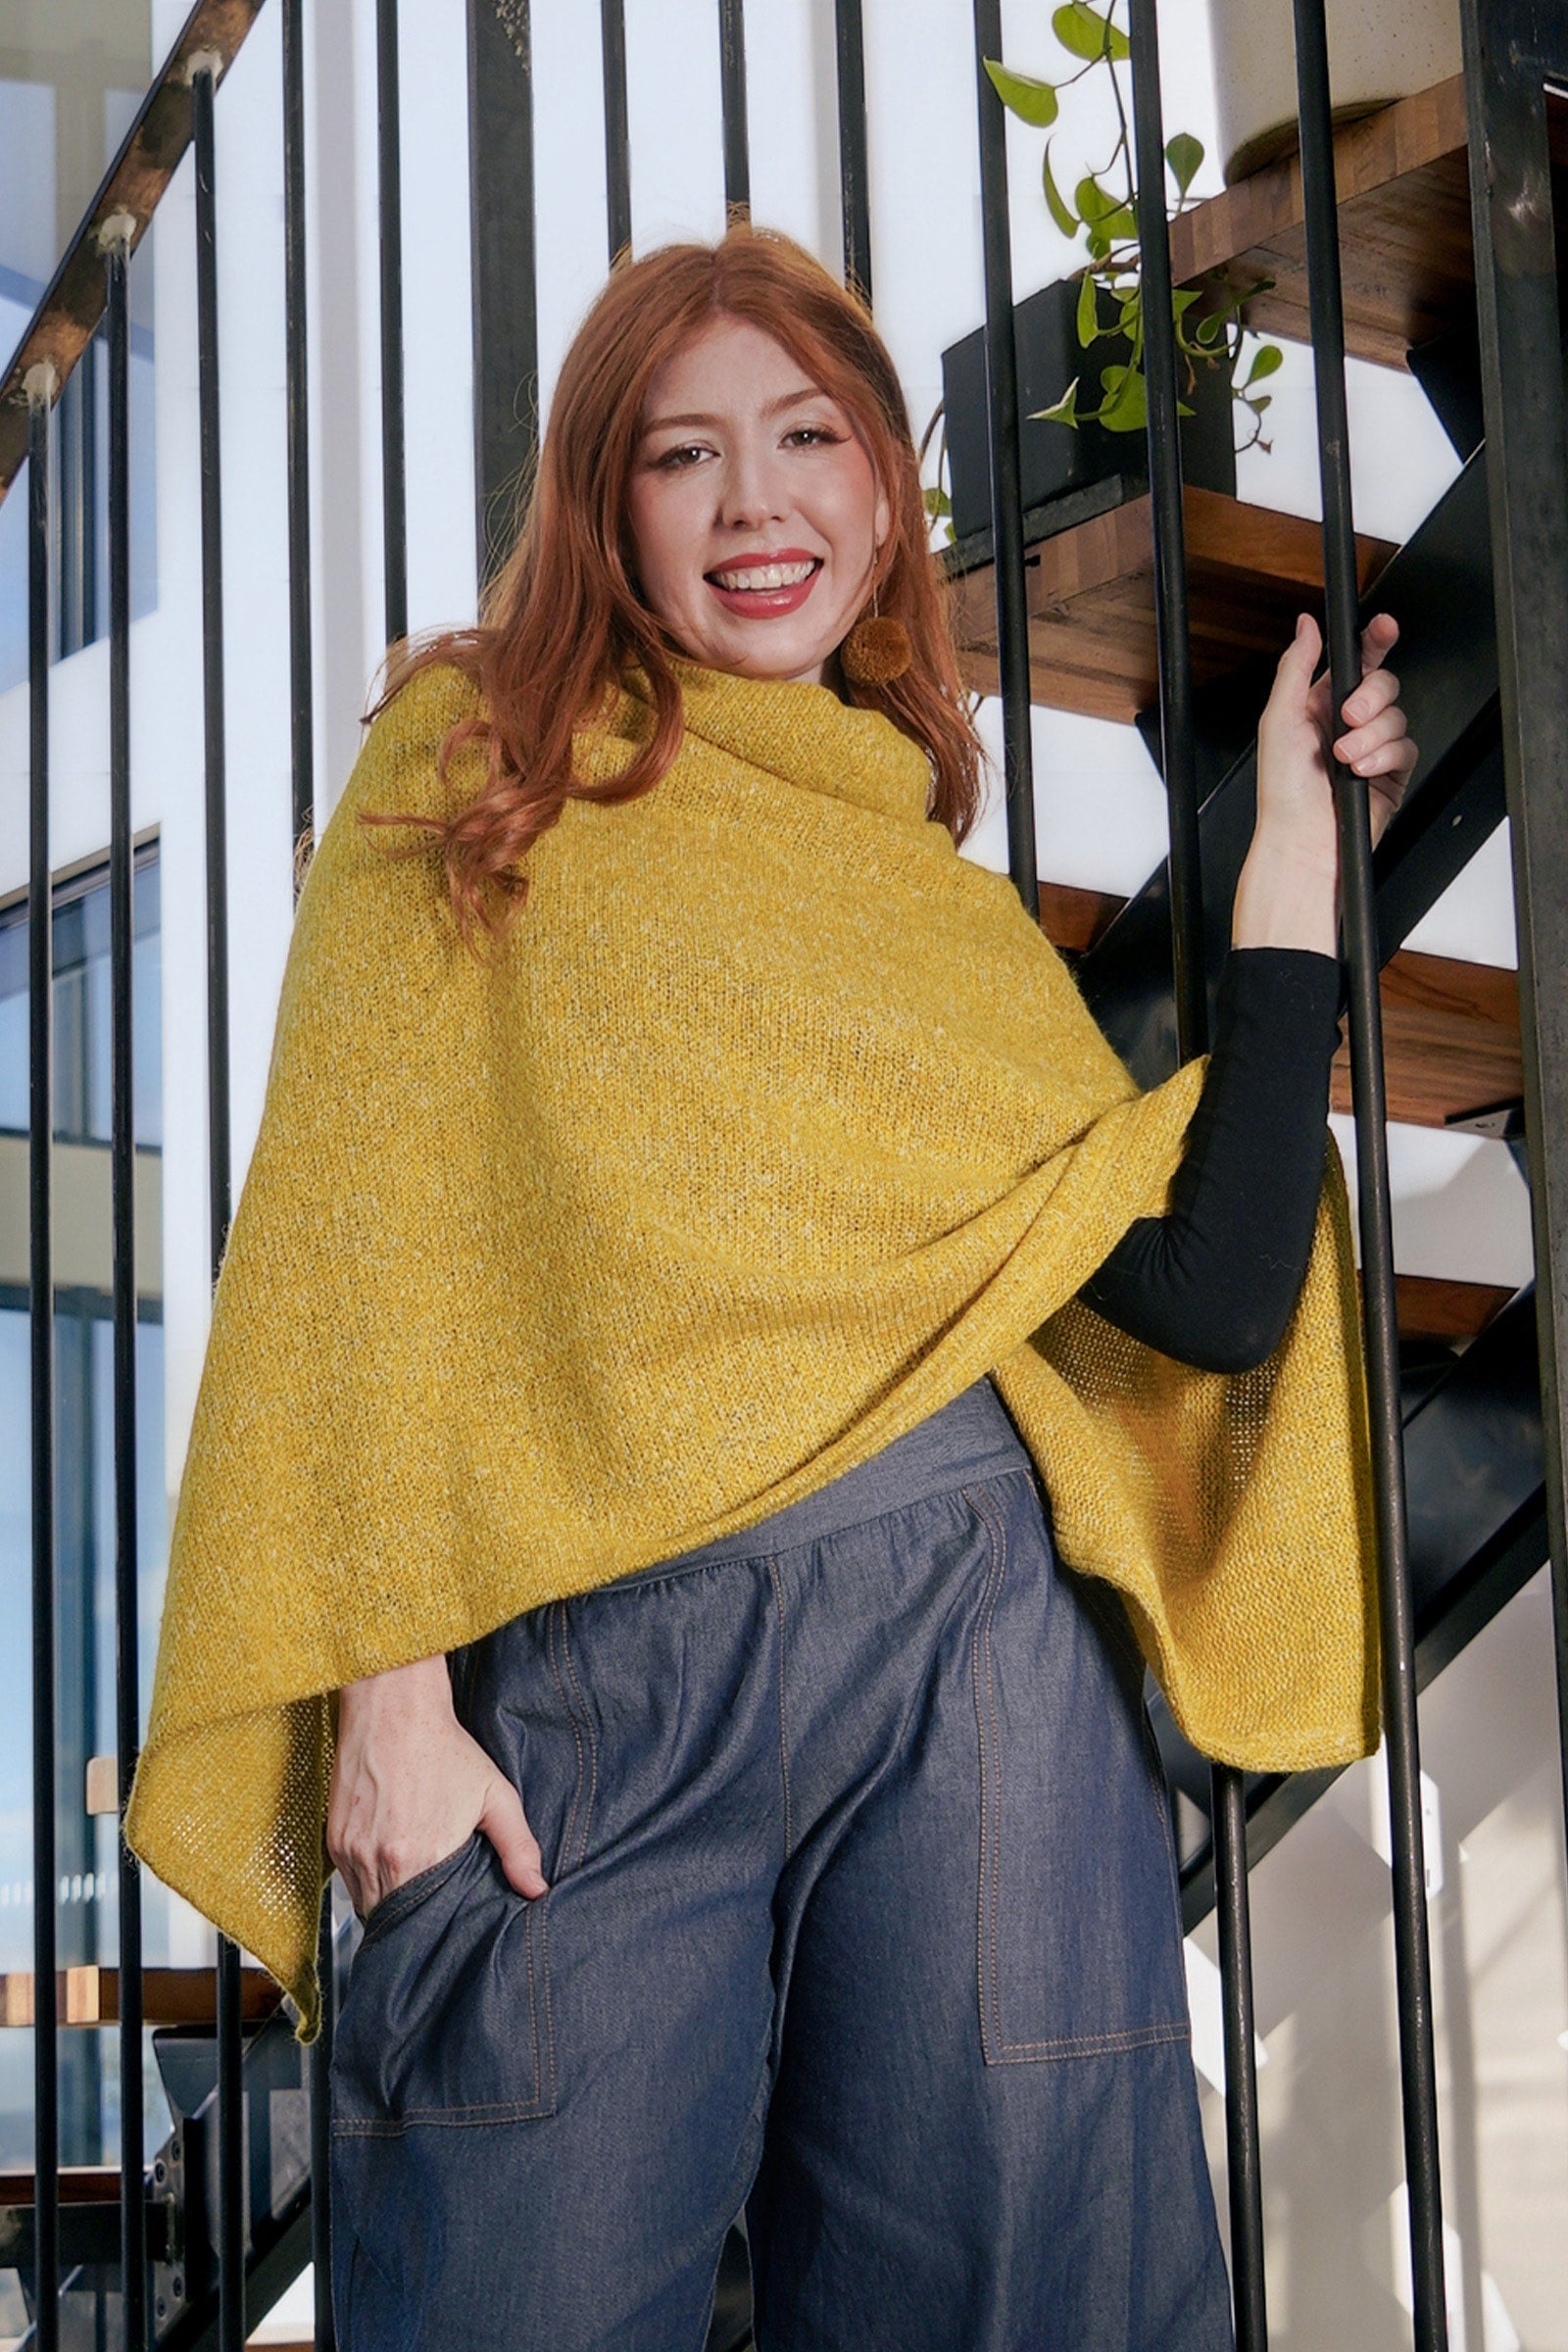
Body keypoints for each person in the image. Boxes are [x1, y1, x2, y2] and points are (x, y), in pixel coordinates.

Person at [128, 227, 1413, 2352]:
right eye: (682, 454)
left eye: (810, 439)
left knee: (1032, 2307)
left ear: (884, 496)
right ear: (606, 506)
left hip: (971, 1649)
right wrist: (387, 1708)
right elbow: (355, 1250)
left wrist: (1289, 836)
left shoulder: (923, 894)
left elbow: (1197, 1290)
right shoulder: (475, 759)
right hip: (594, 1685)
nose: (757, 504)